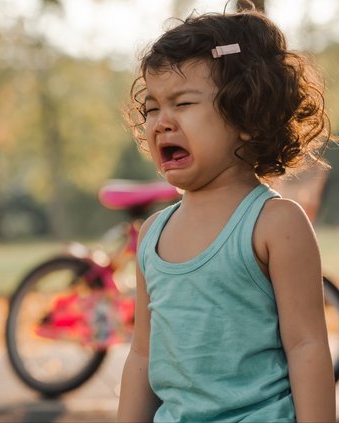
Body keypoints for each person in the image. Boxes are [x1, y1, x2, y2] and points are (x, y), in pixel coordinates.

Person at [117, 3, 336, 423]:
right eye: (152, 108)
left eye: (182, 103)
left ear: (246, 116)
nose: (161, 122)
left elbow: (307, 347)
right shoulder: (153, 234)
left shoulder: (275, 223)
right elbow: (142, 357)